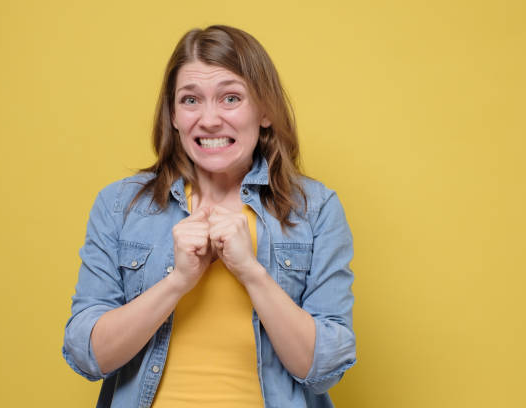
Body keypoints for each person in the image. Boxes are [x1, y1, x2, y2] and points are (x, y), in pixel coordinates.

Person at [63, 25, 356, 408]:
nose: (210, 119)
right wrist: (178, 280)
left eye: (231, 98)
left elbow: (324, 369)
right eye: (190, 100)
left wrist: (250, 271)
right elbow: (88, 356)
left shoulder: (315, 209)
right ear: (172, 115)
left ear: (265, 111)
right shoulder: (121, 205)